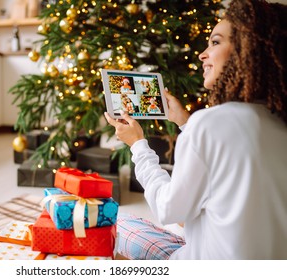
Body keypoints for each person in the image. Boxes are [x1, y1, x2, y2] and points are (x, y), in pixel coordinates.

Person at [105, 0, 287, 259]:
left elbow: (168, 209)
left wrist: (137, 145)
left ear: (248, 50)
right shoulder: (278, 122)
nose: (203, 54)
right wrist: (185, 121)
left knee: (121, 222)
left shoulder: (209, 123)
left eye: (215, 42)